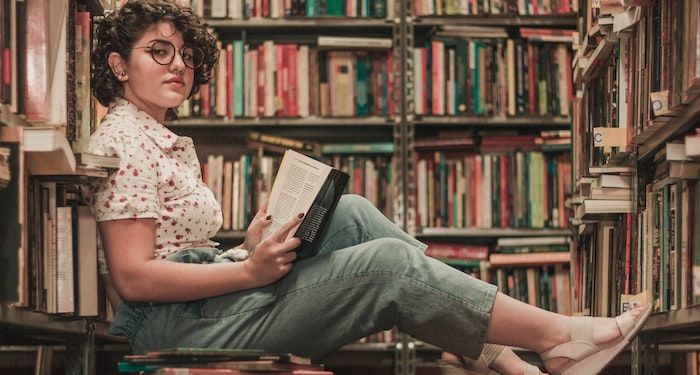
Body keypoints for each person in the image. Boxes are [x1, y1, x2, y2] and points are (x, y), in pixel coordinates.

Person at [87, 1, 651, 375]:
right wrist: (248, 270)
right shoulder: (127, 140)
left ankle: (498, 352)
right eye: (158, 52)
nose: (179, 64)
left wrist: (244, 244)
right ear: (117, 64)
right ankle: (557, 338)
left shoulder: (156, 136)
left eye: (186, 54)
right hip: (173, 328)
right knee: (387, 267)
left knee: (350, 213)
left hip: (203, 304)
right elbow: (135, 278)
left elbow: (169, 251)